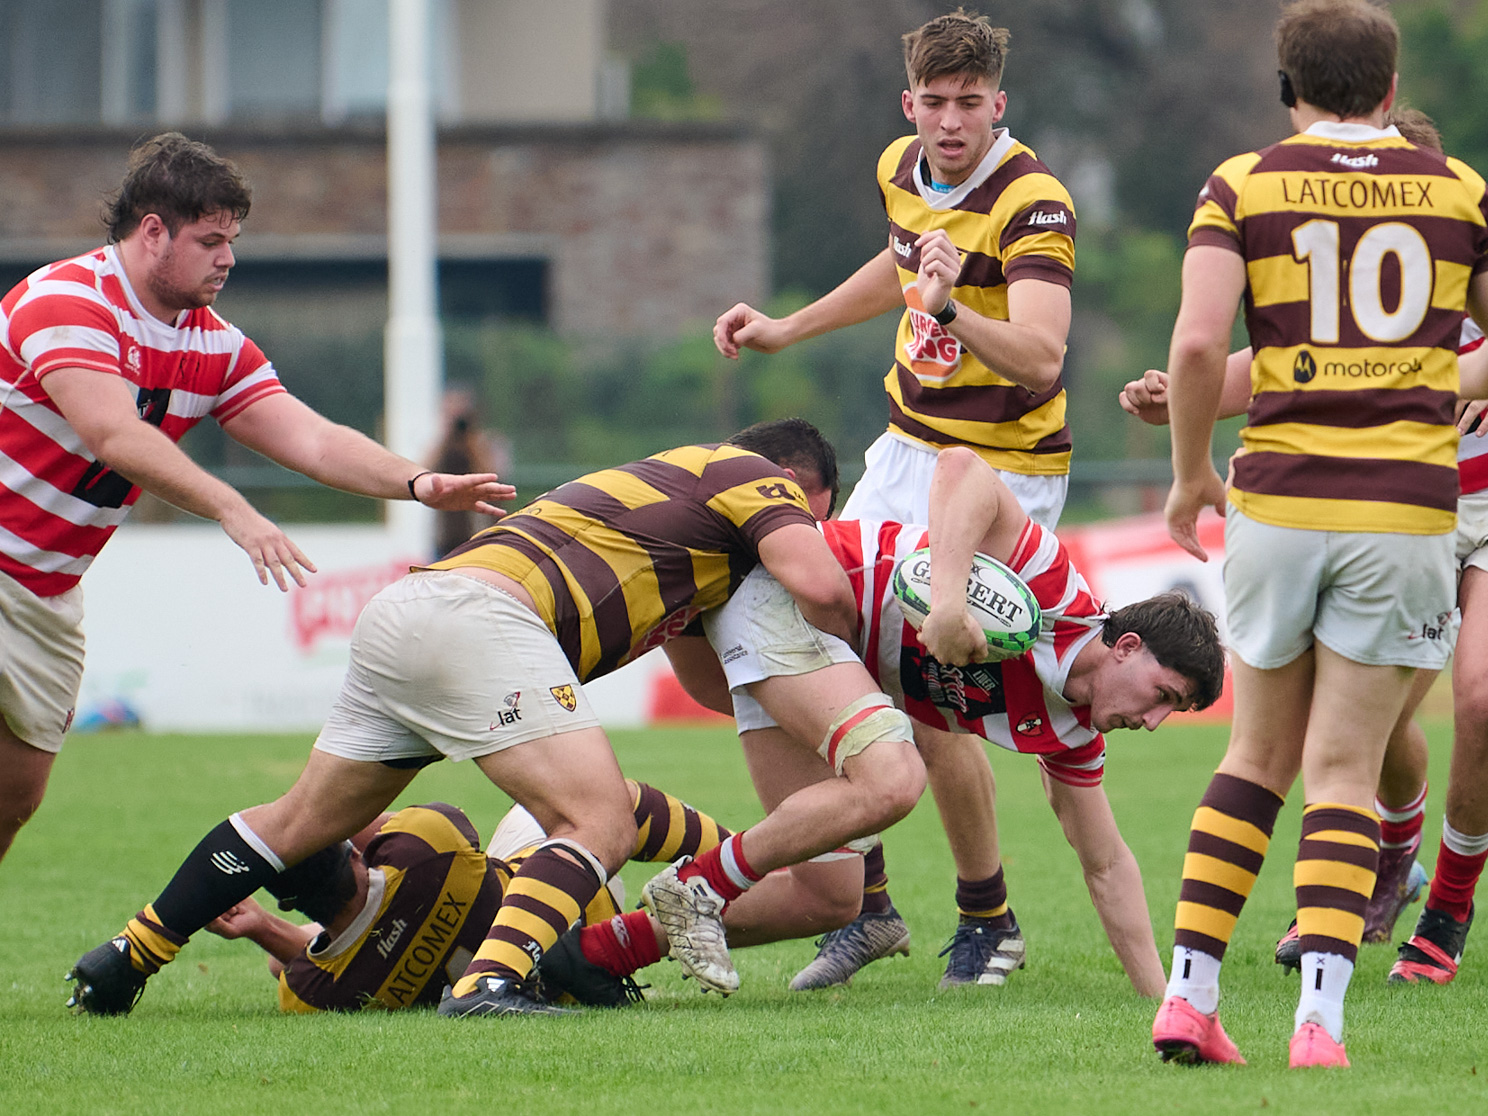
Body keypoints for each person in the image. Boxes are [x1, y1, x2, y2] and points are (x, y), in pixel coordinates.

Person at [68, 420, 919, 1017]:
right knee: (599, 818)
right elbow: (822, 587)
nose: (805, 530)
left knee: (293, 823)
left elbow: (709, 686)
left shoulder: (689, 531)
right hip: (485, 622)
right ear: (805, 492)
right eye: (810, 514)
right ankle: (492, 985)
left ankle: (125, 957)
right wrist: (884, 655)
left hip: (414, 611)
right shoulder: (749, 479)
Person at [1121, 107, 1488, 986]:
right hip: (1410, 500)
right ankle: (1386, 854)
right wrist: (1180, 394)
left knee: (1482, 701)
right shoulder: (1352, 259)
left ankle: (1447, 904)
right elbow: (1275, 364)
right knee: (1377, 721)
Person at [1150, 0, 1488, 1069]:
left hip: (1279, 499)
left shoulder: (1240, 182)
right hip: (1402, 507)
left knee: (1254, 753)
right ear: (1389, 89)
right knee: (1342, 769)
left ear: (1287, 93)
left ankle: (1189, 996)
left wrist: (1191, 476)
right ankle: (1318, 1021)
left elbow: (1195, 350)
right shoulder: (1461, 189)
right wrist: (1428, 376)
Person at [0, 133, 512, 870]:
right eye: (210, 240)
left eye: (231, 240)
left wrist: (417, 481)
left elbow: (310, 438)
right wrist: (232, 508)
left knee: (15, 797)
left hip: (47, 594)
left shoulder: (210, 344)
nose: (228, 258)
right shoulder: (68, 300)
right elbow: (113, 433)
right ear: (152, 232)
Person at [710, 8, 1079, 987]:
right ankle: (867, 904)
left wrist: (955, 306)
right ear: (907, 101)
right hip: (908, 447)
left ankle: (986, 914)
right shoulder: (902, 168)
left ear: (999, 104)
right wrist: (791, 328)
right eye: (935, 103)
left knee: (930, 692)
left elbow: (1043, 358)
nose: (951, 121)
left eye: (970, 104)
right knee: (821, 637)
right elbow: (901, 262)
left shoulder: (1033, 202)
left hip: (998, 471)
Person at [664, 447, 1224, 998]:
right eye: (1162, 696)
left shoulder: (1075, 733)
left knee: (829, 898)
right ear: (1127, 646)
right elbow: (961, 466)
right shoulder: (1054, 595)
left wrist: (1164, 1000)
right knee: (892, 780)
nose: (1152, 722)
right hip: (786, 593)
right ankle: (699, 883)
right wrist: (949, 602)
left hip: (815, 656)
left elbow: (1106, 862)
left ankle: (604, 942)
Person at [202, 782, 728, 1013]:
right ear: (354, 854)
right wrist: (303, 814)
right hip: (583, 899)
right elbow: (350, 813)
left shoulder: (311, 995)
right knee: (605, 803)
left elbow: (307, 963)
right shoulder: (424, 847)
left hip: (532, 972)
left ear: (293, 904)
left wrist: (261, 926)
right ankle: (740, 859)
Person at [426, 388, 507, 560]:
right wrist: (446, 435)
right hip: (445, 536)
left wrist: (472, 442)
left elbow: (495, 473)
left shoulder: (486, 442)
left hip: (477, 533)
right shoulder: (442, 446)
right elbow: (423, 471)